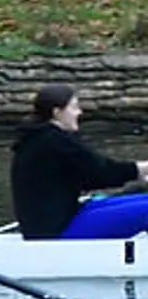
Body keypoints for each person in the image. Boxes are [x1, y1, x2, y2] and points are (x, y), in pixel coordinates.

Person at [9, 84, 148, 239]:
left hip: (56, 220)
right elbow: (103, 172)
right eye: (74, 107)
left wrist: (138, 173)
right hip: (56, 230)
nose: (79, 112)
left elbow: (88, 177)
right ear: (57, 112)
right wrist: (140, 169)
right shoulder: (55, 142)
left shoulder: (38, 138)